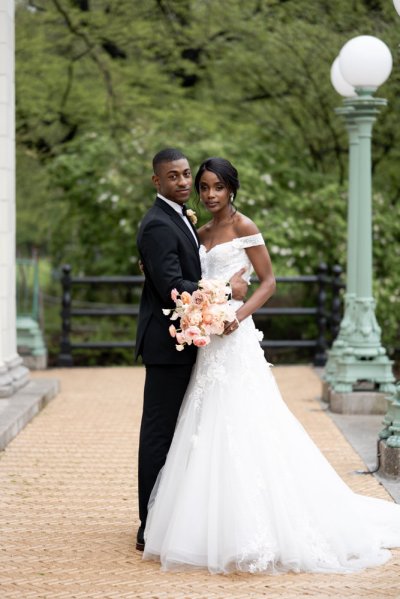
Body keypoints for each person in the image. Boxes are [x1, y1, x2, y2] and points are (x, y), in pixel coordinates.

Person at [142, 157, 400, 574]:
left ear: (232, 189)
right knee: (204, 428)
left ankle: (263, 521)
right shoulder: (197, 231)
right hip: (207, 347)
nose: (209, 194)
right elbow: (183, 279)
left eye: (217, 187)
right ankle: (208, 521)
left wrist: (236, 317)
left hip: (235, 338)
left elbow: (269, 282)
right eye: (204, 186)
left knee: (249, 423)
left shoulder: (244, 227)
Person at [135, 149, 248, 551]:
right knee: (159, 433)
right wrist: (226, 291)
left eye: (187, 176)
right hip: (167, 344)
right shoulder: (157, 225)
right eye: (174, 177)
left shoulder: (179, 218)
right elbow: (173, 286)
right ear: (157, 182)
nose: (183, 183)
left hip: (191, 341)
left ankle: (174, 517)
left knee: (184, 432)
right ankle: (149, 526)